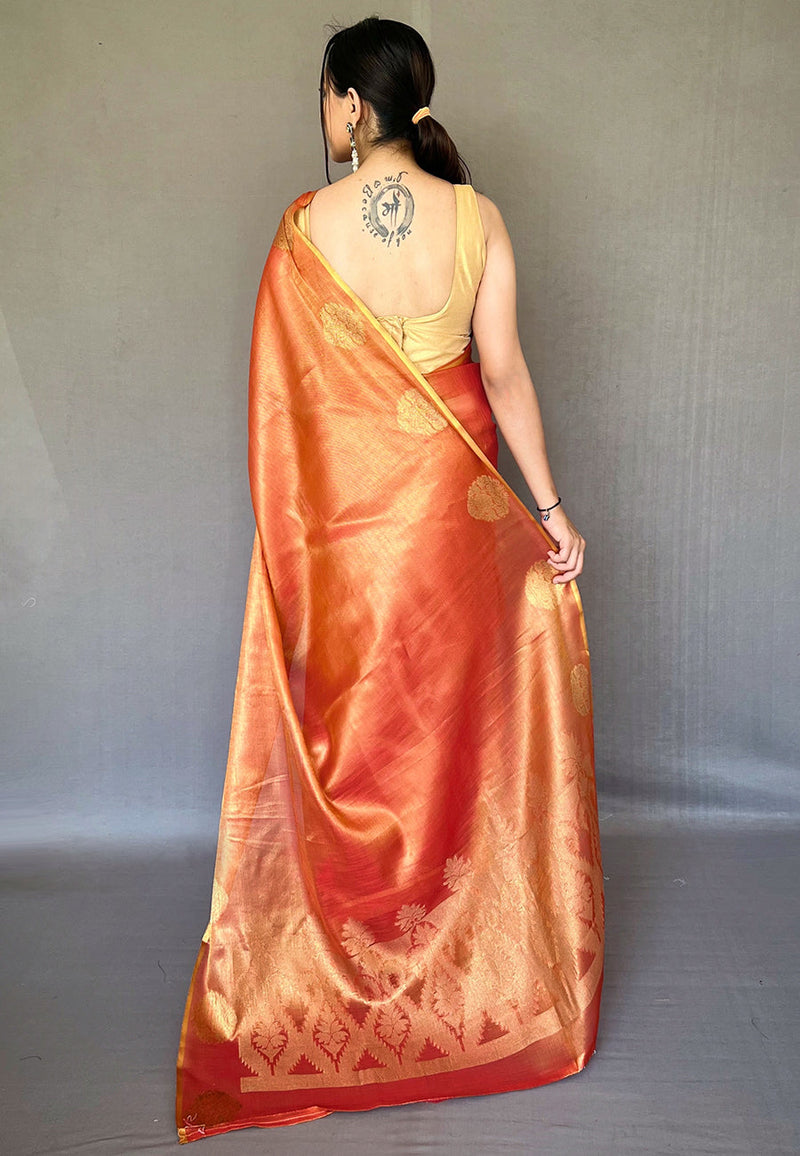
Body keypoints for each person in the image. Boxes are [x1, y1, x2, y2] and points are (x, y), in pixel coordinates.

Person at [175, 16, 604, 1144]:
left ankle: (353, 957)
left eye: (326, 97)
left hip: (354, 531)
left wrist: (296, 542)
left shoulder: (306, 229)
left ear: (352, 105)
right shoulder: (479, 216)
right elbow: (501, 374)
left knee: (363, 738)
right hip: (457, 521)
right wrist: (551, 512)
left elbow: (289, 414)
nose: (323, 116)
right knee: (452, 735)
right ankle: (461, 970)